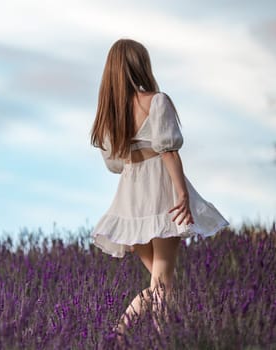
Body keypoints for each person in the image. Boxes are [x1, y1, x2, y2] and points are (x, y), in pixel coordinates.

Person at [89, 38, 230, 341]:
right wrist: (181, 194)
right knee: (163, 284)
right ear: (140, 65)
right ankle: (124, 335)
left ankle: (141, 336)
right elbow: (168, 151)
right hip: (160, 191)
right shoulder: (156, 101)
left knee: (162, 285)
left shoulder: (108, 116)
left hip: (130, 200)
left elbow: (115, 165)